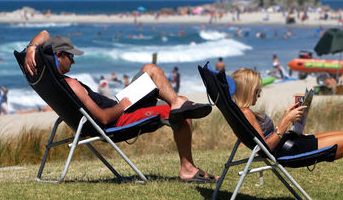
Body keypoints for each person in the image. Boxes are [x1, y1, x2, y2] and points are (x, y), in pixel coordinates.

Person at [24, 30, 216, 183]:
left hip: (118, 105)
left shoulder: (43, 76)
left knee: (151, 70)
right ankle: (188, 169)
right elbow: (104, 118)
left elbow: (45, 33)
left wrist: (32, 48)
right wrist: (123, 106)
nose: (73, 61)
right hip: (119, 116)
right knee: (181, 112)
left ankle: (176, 101)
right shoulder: (72, 85)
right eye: (71, 57)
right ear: (59, 55)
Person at [230, 67, 343, 200]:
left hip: (292, 143)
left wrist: (289, 119)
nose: (259, 95)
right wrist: (286, 120)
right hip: (292, 151)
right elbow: (265, 147)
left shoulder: (242, 111)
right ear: (246, 90)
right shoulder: (245, 113)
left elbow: (265, 140)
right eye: (256, 91)